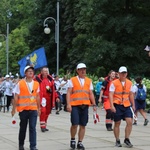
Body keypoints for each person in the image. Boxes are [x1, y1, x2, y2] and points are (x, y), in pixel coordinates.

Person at [67, 63, 97, 150]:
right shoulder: (72, 80)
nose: (83, 71)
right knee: (75, 123)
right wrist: (68, 104)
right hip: (75, 105)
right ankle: (73, 139)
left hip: (85, 105)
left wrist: (94, 104)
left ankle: (80, 142)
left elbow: (90, 93)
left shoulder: (89, 81)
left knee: (83, 125)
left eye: (84, 69)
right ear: (77, 71)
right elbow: (69, 92)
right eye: (81, 69)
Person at [11, 66, 40, 150]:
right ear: (25, 73)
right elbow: (16, 96)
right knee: (23, 127)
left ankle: (33, 146)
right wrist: (14, 109)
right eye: (29, 71)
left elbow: (37, 96)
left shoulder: (36, 84)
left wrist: (39, 108)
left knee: (32, 127)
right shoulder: (20, 83)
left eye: (32, 71)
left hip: (33, 109)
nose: (31, 72)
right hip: (23, 110)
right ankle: (21, 144)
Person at [109, 66, 135, 148]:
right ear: (119, 74)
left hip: (126, 105)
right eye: (122, 73)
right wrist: (112, 105)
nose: (124, 74)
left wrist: (133, 104)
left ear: (127, 73)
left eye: (125, 73)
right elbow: (111, 94)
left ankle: (126, 139)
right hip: (117, 105)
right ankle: (117, 140)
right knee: (117, 123)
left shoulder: (129, 83)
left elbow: (131, 94)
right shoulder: (114, 83)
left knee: (130, 122)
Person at [35, 67, 60, 132]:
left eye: (47, 71)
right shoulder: (37, 79)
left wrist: (56, 97)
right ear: (41, 72)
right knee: (43, 111)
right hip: (41, 98)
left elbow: (54, 89)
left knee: (47, 112)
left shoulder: (50, 79)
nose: (46, 72)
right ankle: (42, 126)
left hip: (49, 98)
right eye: (44, 71)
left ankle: (44, 125)